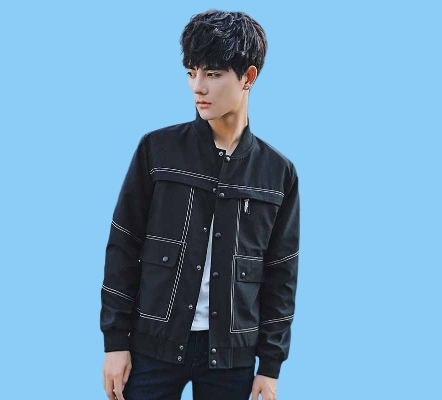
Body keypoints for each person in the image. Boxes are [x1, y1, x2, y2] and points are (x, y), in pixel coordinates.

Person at [100, 9, 299, 400]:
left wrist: (270, 367)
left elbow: (281, 275)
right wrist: (115, 342)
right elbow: (123, 246)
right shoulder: (157, 150)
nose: (198, 87)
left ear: (248, 77)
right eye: (192, 72)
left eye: (213, 74)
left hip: (231, 357)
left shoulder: (278, 173)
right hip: (151, 346)